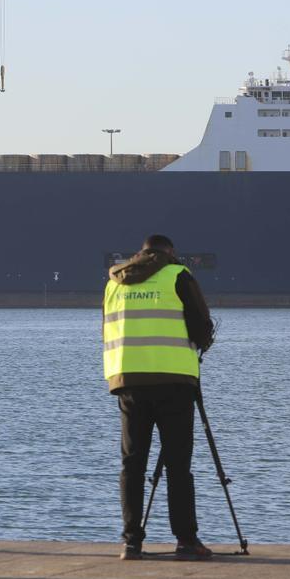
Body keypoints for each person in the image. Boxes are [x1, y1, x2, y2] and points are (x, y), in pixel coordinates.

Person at [103, 234, 215, 561]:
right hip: (174, 381)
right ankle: (185, 540)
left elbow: (108, 330)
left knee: (132, 463)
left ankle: (131, 543)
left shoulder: (114, 282)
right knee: (178, 465)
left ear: (141, 252)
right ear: (170, 253)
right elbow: (201, 327)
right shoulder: (178, 276)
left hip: (128, 381)